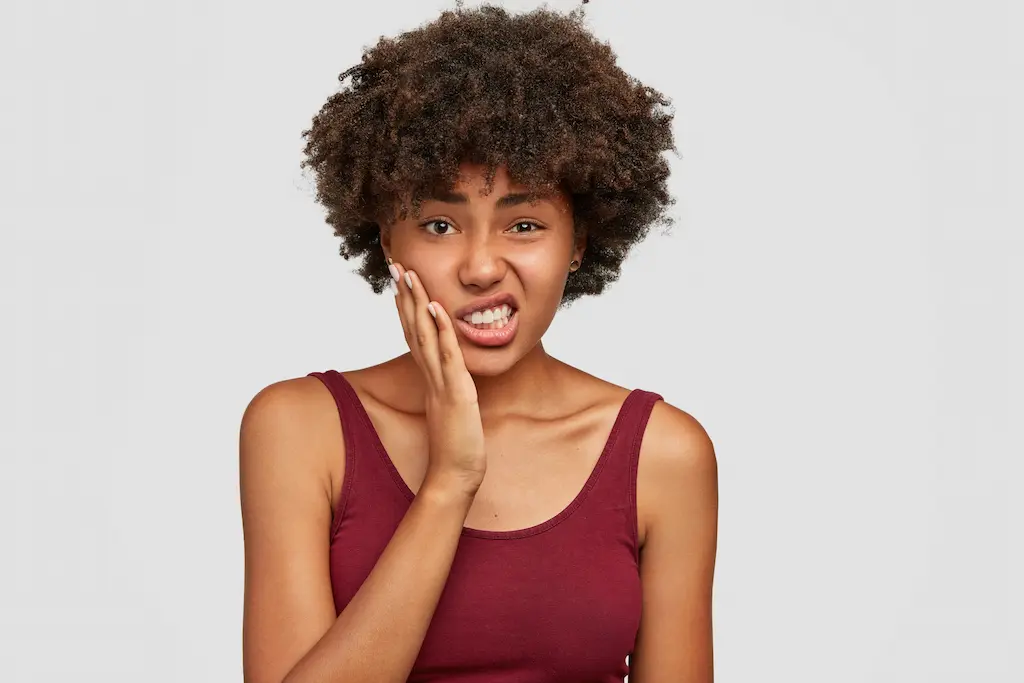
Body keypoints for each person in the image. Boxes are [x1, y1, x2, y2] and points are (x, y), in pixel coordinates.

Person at [239, 3, 718, 682]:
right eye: (439, 224)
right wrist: (449, 481)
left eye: (524, 224)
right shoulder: (300, 429)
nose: (481, 266)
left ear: (579, 242)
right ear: (386, 238)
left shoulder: (662, 455)